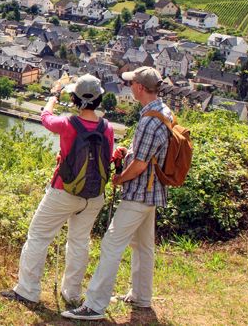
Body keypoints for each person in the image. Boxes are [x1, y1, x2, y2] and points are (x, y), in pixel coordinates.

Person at [62, 66, 171, 321]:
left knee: (111, 244)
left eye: (132, 83)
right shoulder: (163, 112)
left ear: (141, 88)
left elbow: (142, 165)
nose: (129, 86)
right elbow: (148, 155)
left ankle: (94, 305)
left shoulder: (149, 120)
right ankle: (141, 296)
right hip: (153, 191)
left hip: (139, 193)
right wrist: (129, 152)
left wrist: (121, 176)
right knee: (143, 246)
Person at [0, 74, 114, 307]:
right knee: (79, 242)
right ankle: (71, 293)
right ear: (99, 99)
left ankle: (27, 290)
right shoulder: (107, 128)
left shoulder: (69, 123)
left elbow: (46, 118)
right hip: (93, 195)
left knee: (39, 236)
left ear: (74, 99)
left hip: (64, 192)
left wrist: (53, 95)